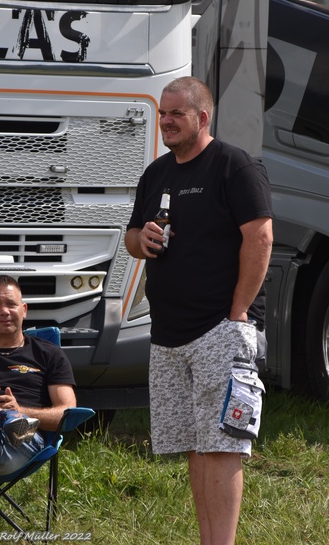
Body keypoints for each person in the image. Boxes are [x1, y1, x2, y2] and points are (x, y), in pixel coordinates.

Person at [124, 76, 273, 545]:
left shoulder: (234, 166)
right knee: (193, 445)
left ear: (202, 118)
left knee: (223, 446)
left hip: (219, 331)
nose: (165, 122)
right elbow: (130, 238)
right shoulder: (157, 174)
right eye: (162, 114)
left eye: (176, 114)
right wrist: (141, 240)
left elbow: (261, 237)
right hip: (167, 335)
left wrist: (238, 313)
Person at [0, 275, 76, 543]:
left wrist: (20, 410)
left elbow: (67, 413)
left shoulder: (48, 354)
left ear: (24, 309)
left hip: (22, 439)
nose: (4, 311)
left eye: (11, 303)